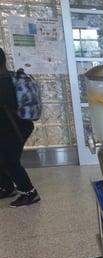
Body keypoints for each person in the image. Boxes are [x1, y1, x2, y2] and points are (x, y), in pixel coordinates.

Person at [0, 48, 40, 207]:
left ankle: (29, 192)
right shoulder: (11, 77)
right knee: (4, 158)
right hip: (21, 125)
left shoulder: (3, 83)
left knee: (10, 161)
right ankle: (7, 187)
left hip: (11, 129)